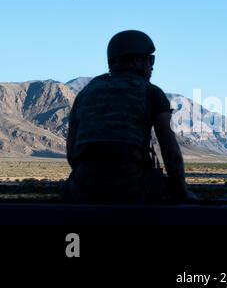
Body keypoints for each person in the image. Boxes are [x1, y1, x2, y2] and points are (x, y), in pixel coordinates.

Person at [65, 30, 196, 203]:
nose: (152, 66)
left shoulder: (85, 94)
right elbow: (170, 151)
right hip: (133, 188)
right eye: (150, 59)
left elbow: (72, 151)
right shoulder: (151, 92)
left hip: (81, 188)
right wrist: (182, 191)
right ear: (136, 60)